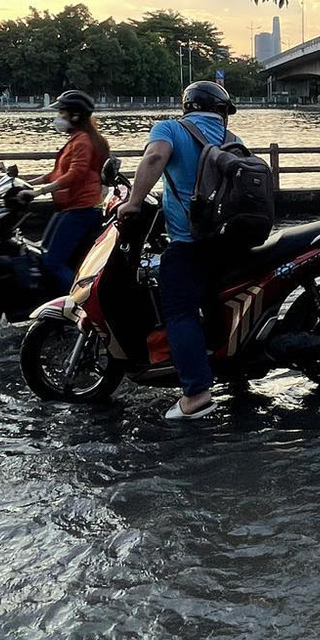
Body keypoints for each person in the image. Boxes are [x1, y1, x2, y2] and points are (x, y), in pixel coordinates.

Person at [116, 80, 237, 420]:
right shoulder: (232, 141)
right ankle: (230, 364)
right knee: (213, 303)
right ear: (221, 112)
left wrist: (134, 202)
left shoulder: (170, 128)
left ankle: (196, 393)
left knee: (179, 311)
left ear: (188, 106)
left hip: (189, 244)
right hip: (228, 244)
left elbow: (155, 157)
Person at [29, 90, 112, 288]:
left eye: (62, 113)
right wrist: (31, 184)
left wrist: (42, 191)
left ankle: (77, 304)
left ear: (76, 115)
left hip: (81, 208)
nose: (58, 117)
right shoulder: (77, 139)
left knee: (53, 262)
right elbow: (58, 173)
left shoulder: (83, 141)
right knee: (44, 251)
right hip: (70, 206)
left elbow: (77, 174)